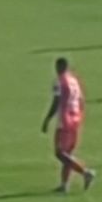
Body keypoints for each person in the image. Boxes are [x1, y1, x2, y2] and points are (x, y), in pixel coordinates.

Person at [41, 58, 96, 194]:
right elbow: (81, 100)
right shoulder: (74, 80)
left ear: (58, 67)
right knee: (68, 154)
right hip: (76, 119)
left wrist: (47, 119)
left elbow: (56, 101)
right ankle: (64, 185)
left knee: (60, 153)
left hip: (64, 120)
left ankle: (85, 172)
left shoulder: (59, 81)